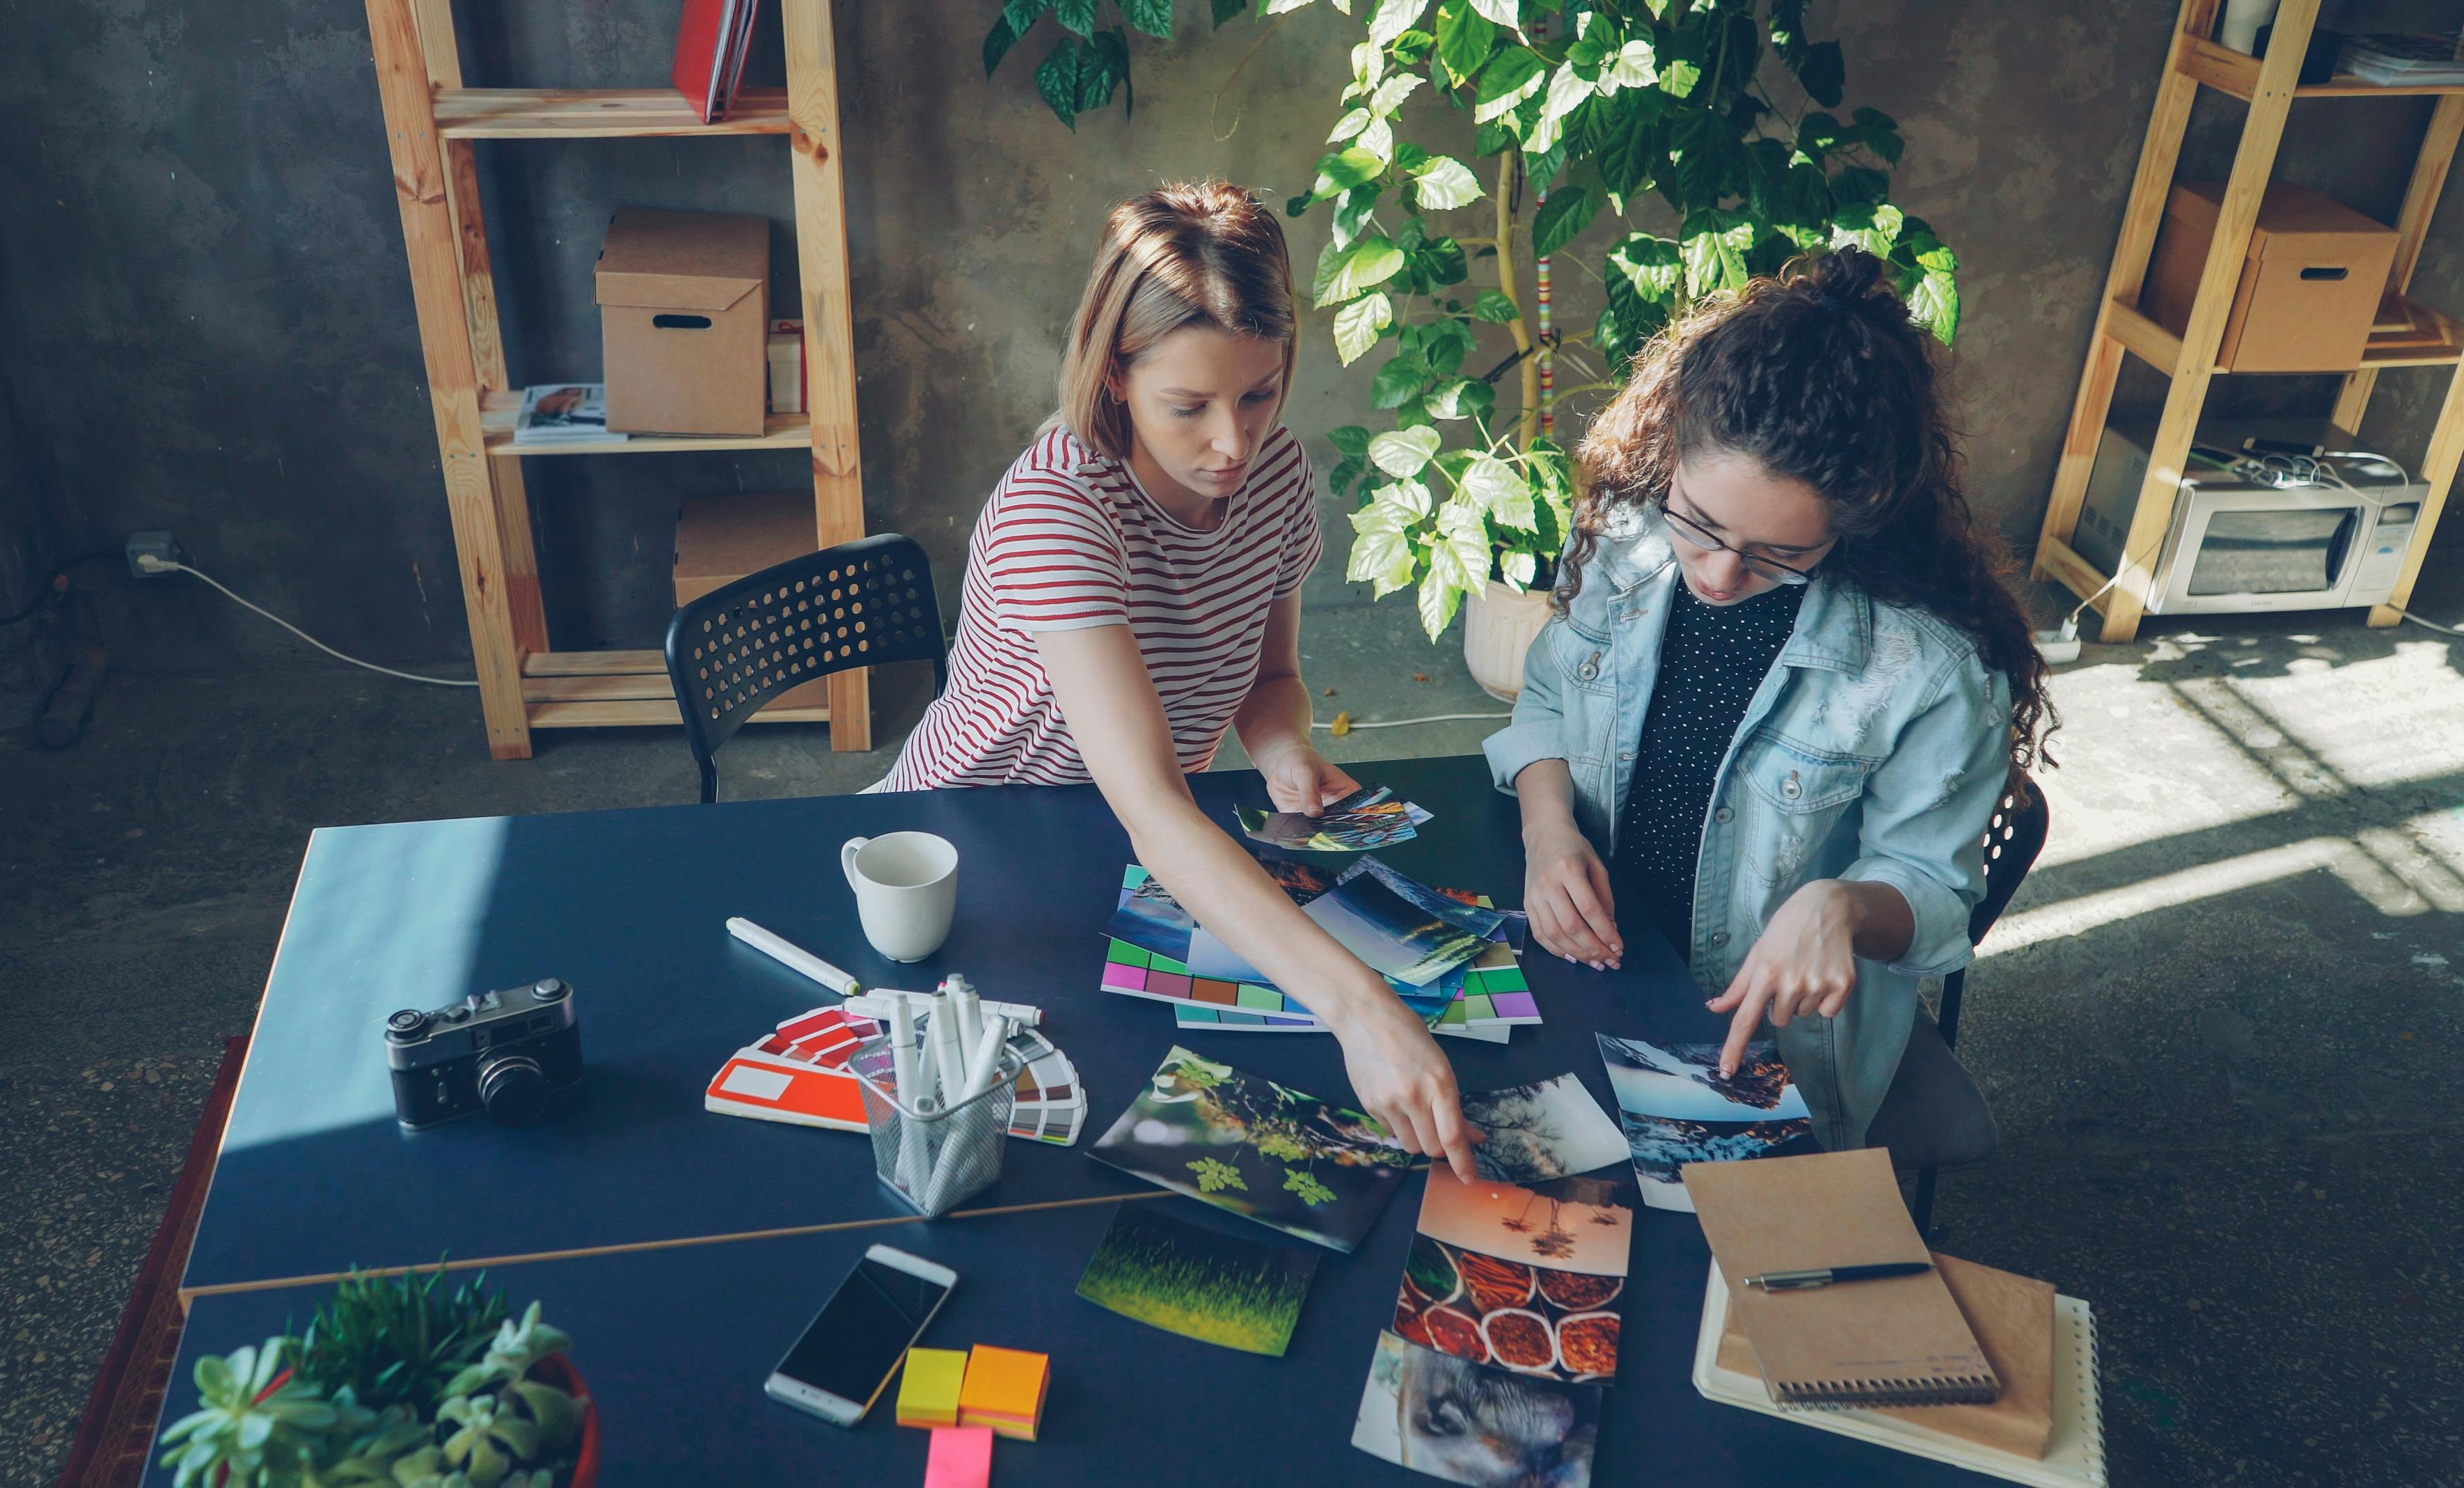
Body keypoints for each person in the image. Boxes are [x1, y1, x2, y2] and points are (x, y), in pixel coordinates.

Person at [876, 182, 1480, 1179]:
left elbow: (1271, 674)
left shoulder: (1275, 474)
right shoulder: (1057, 509)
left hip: (1132, 857)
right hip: (971, 842)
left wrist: (1282, 744)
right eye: (1188, 406)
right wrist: (1361, 1005)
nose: (1233, 442)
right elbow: (1155, 808)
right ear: (1115, 374)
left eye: (1259, 393)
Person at [1484, 248, 2055, 1150]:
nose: (1717, 572)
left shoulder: (1927, 668)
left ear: (1858, 516)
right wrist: (1549, 831)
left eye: (1778, 553)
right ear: (1673, 451)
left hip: (1761, 1052)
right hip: (1594, 964)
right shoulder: (1629, 542)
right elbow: (1551, 696)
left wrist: (1841, 907)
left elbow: (1936, 891)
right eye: (1700, 522)